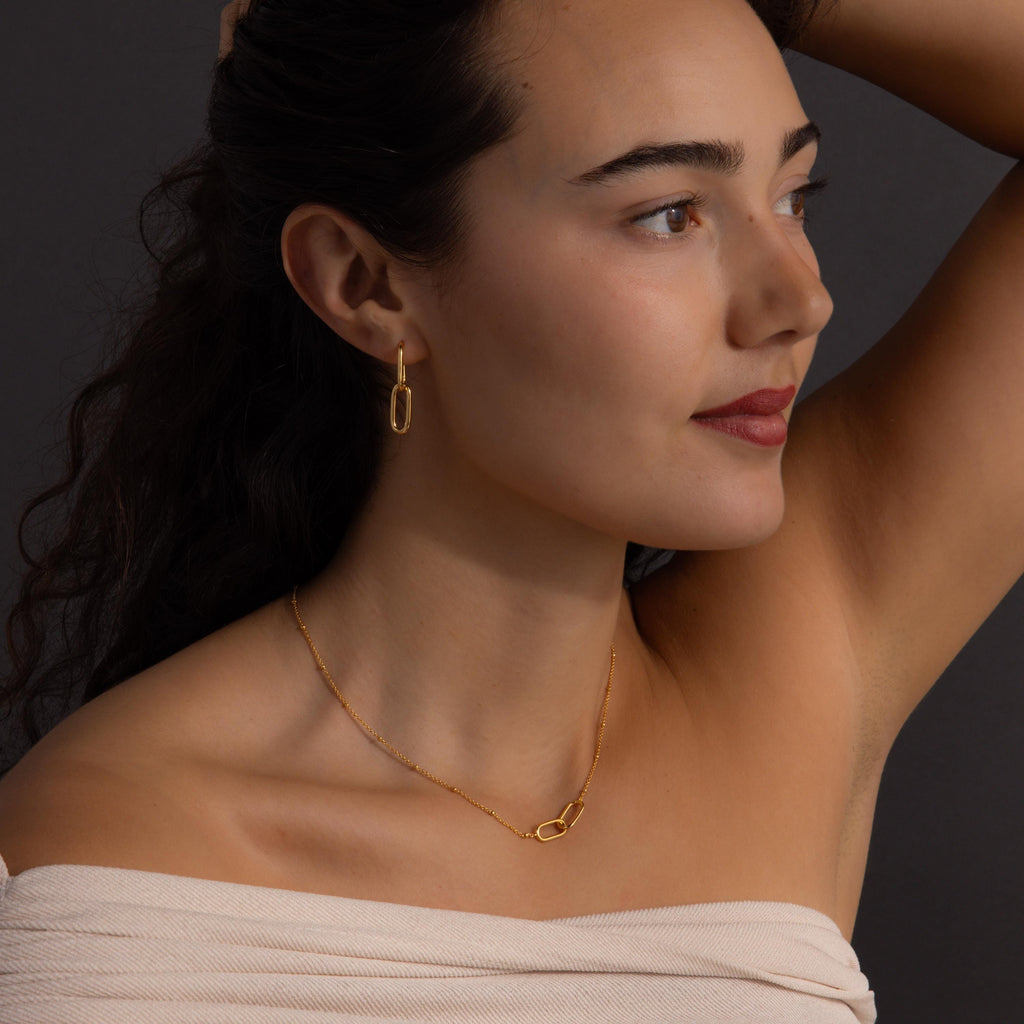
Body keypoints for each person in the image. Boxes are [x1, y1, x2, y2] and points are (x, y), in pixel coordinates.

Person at [0, 0, 1021, 1019]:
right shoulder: (101, 877)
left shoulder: (792, 665)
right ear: (365, 284)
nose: (797, 299)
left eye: (793, 196)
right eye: (669, 214)